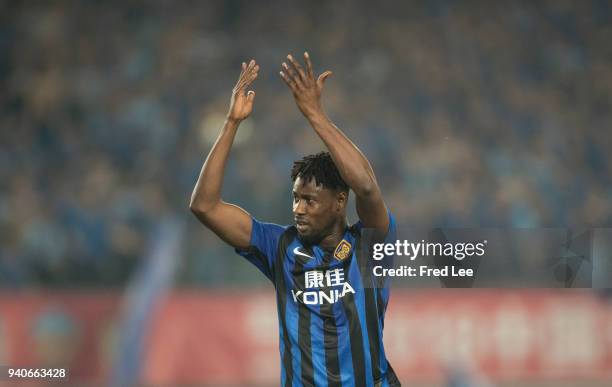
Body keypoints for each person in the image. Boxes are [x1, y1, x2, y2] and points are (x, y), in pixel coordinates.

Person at [190, 53, 400, 387]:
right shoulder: (280, 245)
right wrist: (231, 123)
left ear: (339, 202)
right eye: (295, 198)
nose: (298, 209)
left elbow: (366, 186)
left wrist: (314, 114)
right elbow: (204, 206)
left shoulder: (369, 245)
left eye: (309, 200)